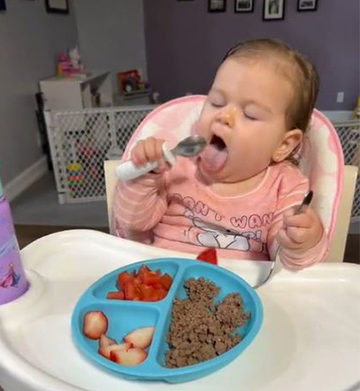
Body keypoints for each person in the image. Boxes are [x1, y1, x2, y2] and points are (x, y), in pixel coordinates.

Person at [112, 38, 327, 269]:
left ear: (283, 145)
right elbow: (131, 224)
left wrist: (301, 243)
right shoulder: (176, 164)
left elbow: (286, 265)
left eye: (250, 115)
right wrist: (145, 175)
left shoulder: (285, 185)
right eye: (216, 102)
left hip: (239, 295)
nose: (224, 116)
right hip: (162, 281)